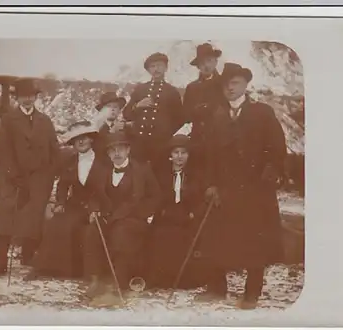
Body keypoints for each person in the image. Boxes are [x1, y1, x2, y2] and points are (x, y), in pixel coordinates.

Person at [197, 63, 287, 309]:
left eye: (234, 83)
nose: (229, 88)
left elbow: (277, 147)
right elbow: (209, 155)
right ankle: (217, 288)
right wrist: (211, 184)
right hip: (224, 189)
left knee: (254, 241)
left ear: (245, 85)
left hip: (255, 189)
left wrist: (271, 172)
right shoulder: (216, 115)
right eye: (226, 84)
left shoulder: (262, 112)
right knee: (217, 236)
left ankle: (251, 293)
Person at [0, 78, 60, 281]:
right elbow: (3, 151)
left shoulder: (45, 120)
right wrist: (14, 175)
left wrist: (50, 173)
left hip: (40, 179)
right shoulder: (9, 119)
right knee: (6, 218)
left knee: (34, 219)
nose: (27, 100)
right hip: (14, 178)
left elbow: (54, 149)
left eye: (31, 96)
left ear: (35, 97)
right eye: (23, 96)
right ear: (17, 98)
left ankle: (30, 259)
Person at [82, 132, 161, 306]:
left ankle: (117, 283)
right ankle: (95, 280)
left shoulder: (142, 170)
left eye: (121, 149)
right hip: (107, 217)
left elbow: (155, 197)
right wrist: (94, 209)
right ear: (108, 153)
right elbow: (93, 195)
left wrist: (141, 213)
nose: (117, 153)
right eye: (112, 150)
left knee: (122, 235)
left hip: (132, 218)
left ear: (128, 150)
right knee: (92, 232)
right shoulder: (102, 171)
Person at [24, 120, 106, 281]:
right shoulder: (70, 161)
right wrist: (60, 202)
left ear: (91, 139)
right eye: (76, 139)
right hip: (75, 204)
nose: (81, 142)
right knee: (57, 222)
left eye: (84, 137)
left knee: (83, 227)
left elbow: (106, 189)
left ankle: (83, 272)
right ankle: (43, 267)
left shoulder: (103, 161)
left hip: (98, 205)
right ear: (73, 144)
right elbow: (63, 185)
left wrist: (96, 208)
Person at [145, 134, 210, 289]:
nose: (179, 157)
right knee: (161, 235)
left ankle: (184, 281)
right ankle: (162, 280)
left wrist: (194, 213)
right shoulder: (161, 174)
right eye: (176, 153)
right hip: (166, 215)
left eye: (183, 153)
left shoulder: (196, 175)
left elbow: (202, 200)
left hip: (189, 216)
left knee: (186, 237)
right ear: (170, 155)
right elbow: (155, 197)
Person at [122, 52, 184, 168]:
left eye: (160, 65)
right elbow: (126, 114)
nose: (156, 69)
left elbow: (180, 119)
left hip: (161, 144)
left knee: (159, 175)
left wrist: (166, 132)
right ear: (149, 70)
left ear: (166, 68)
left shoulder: (172, 91)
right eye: (153, 66)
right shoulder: (140, 89)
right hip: (139, 143)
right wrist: (138, 105)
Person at [182, 43, 224, 173]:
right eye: (202, 63)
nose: (206, 66)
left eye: (209, 61)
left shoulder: (225, 84)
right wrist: (196, 111)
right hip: (198, 140)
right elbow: (185, 115)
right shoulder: (192, 88)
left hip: (221, 140)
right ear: (198, 66)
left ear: (216, 61)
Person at [92, 91, 128, 163]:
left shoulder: (124, 126)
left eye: (115, 107)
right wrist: (112, 132)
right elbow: (97, 150)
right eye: (108, 106)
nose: (112, 109)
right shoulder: (95, 128)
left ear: (119, 110)